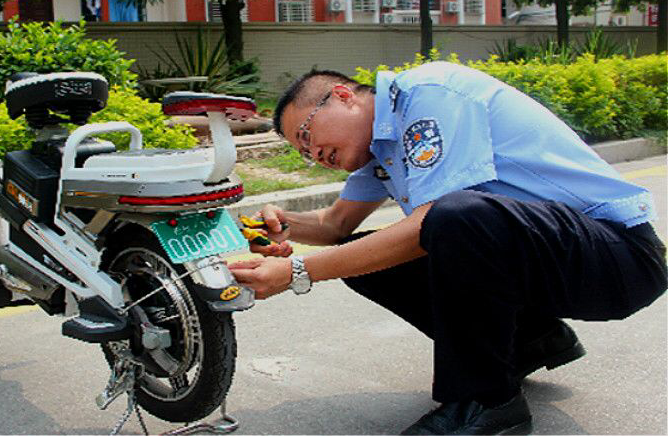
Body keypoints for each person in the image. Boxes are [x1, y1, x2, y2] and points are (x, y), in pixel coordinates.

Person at [228, 62, 667, 435]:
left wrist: (298, 272)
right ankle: (532, 340)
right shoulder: (379, 147)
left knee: (453, 218)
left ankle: (486, 400)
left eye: (306, 135)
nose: (313, 154)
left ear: (343, 96)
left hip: (619, 257)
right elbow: (335, 223)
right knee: (369, 258)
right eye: (302, 152)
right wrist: (284, 225)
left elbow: (437, 219)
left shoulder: (428, 96)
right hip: (555, 255)